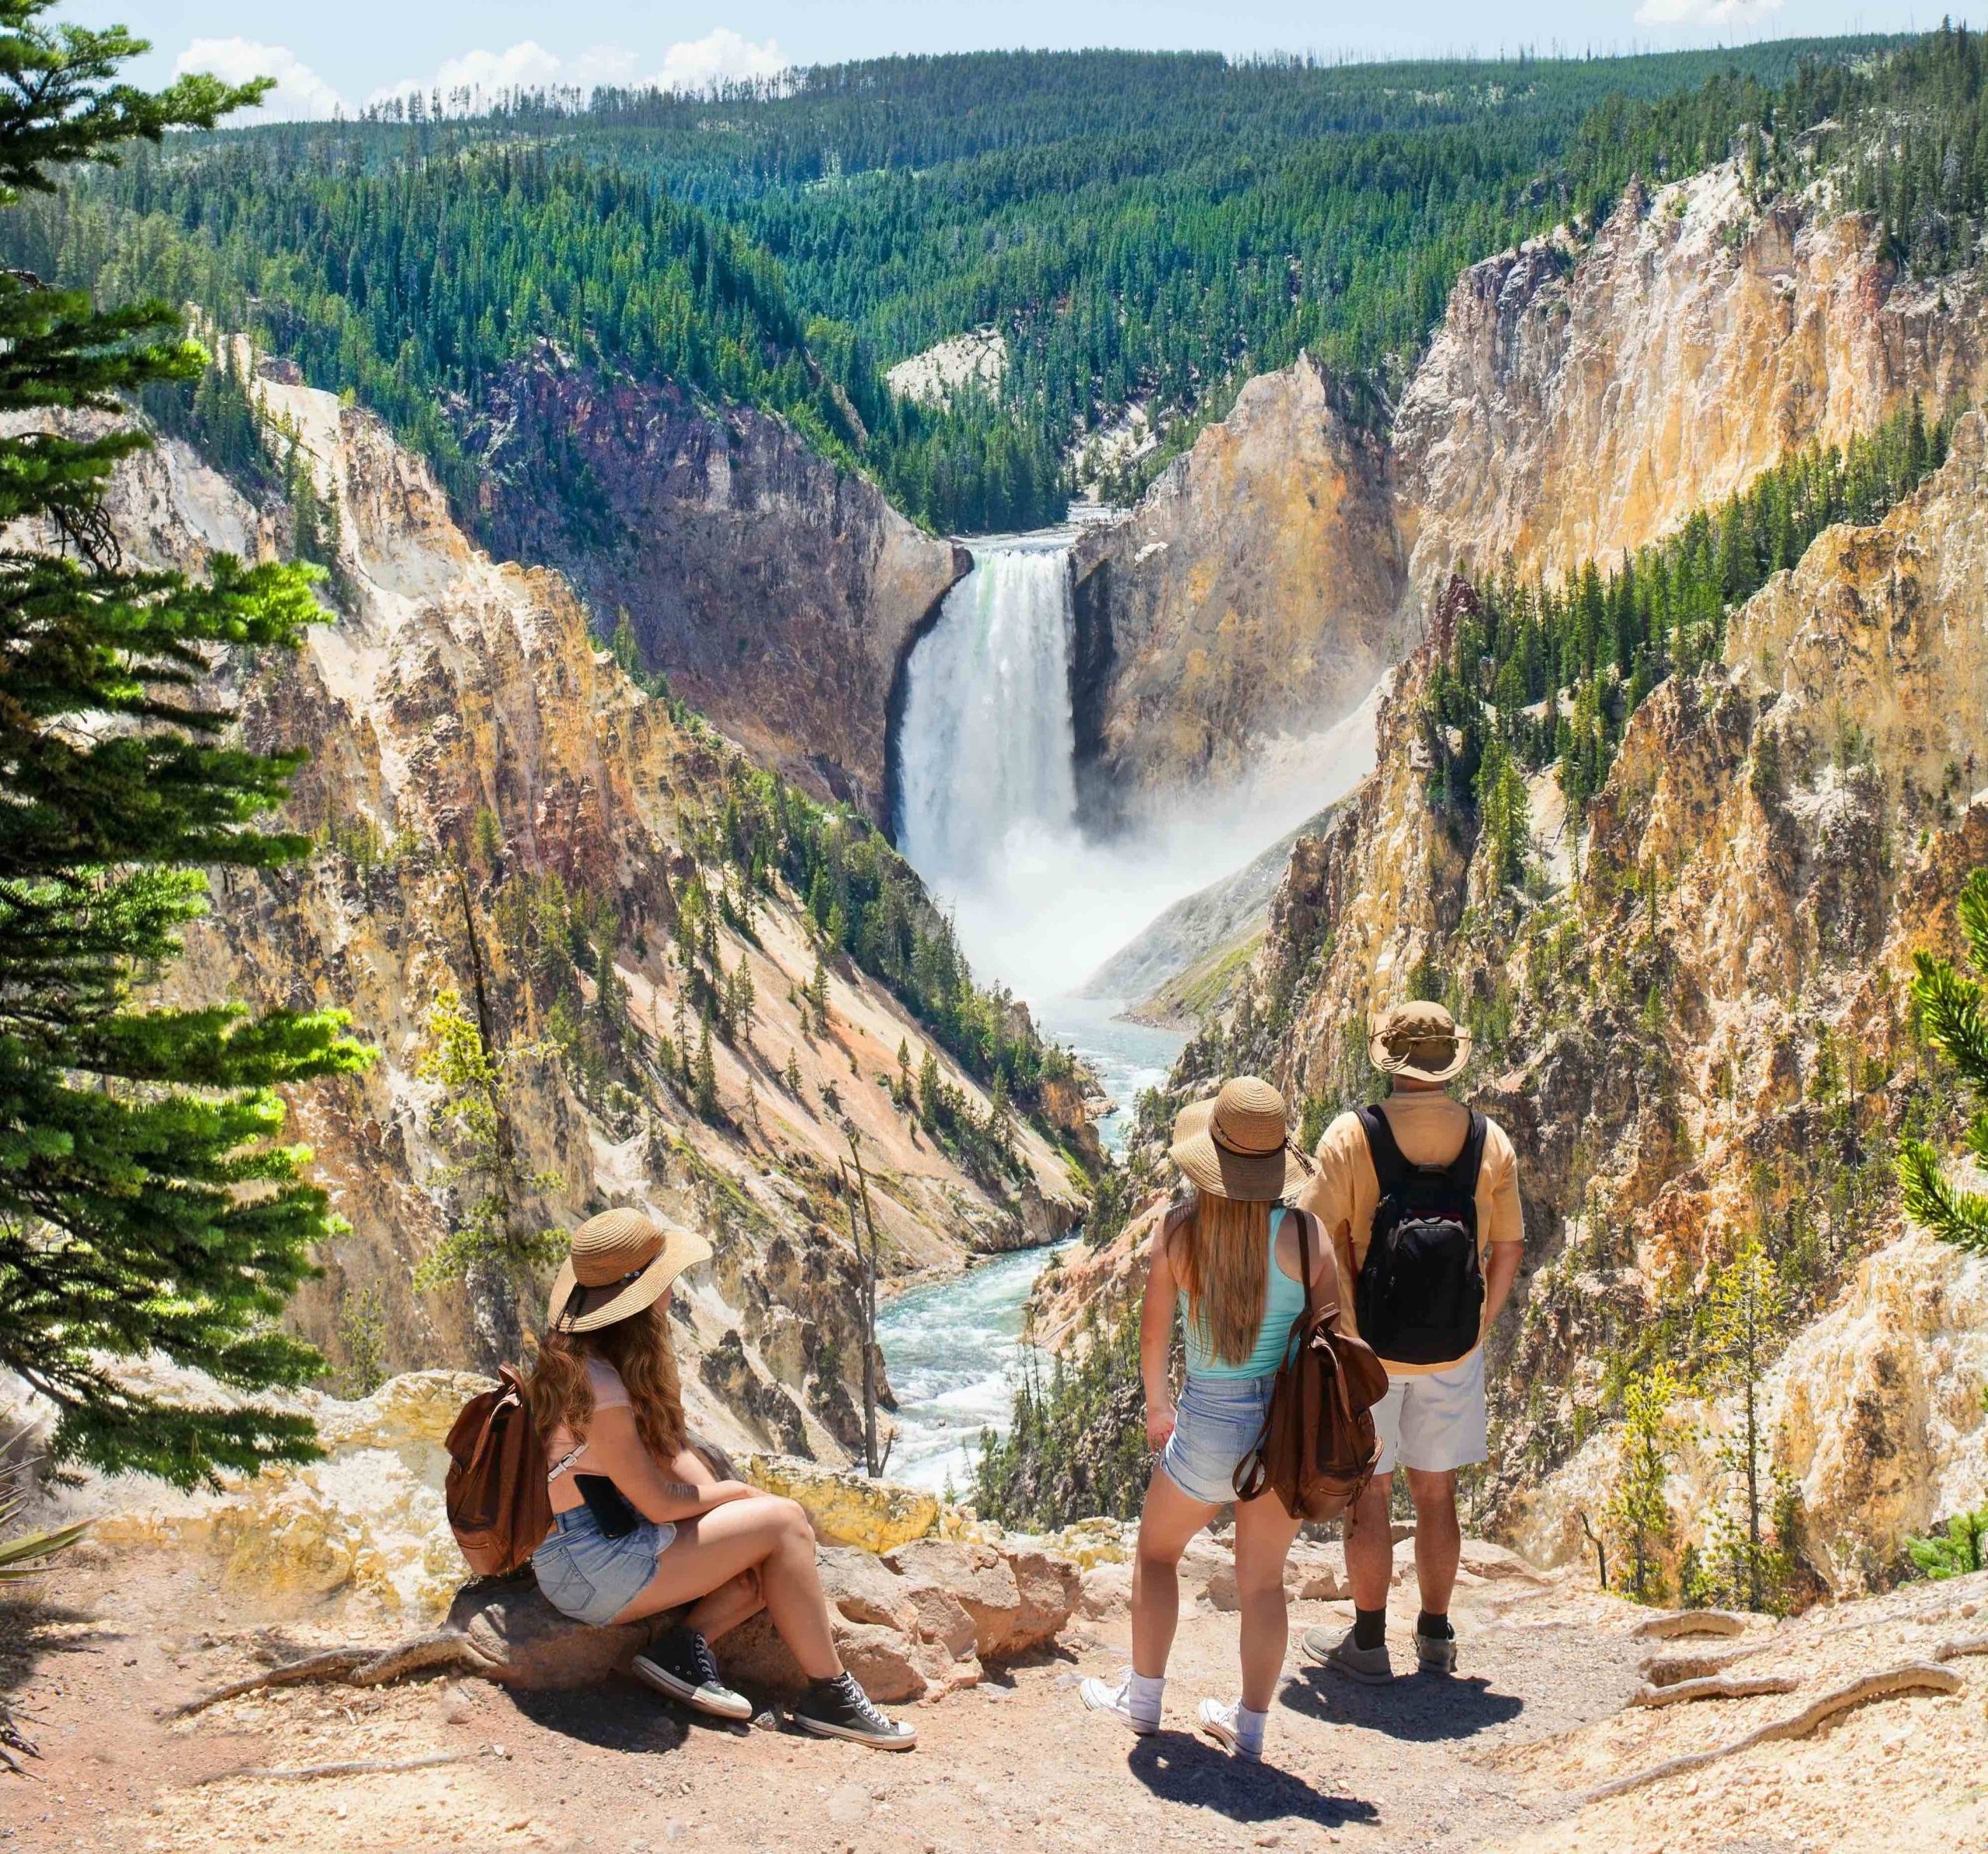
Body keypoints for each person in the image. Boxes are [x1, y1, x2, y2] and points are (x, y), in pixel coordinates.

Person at [526, 1207, 916, 1750]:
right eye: (663, 1279)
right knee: (784, 1526)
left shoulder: (589, 1358)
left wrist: (735, 1520)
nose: (672, 1289)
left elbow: (666, 1452)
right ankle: (832, 1694)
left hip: (590, 1547)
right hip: (590, 1564)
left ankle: (683, 1649)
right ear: (639, 1297)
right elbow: (660, 1503)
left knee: (766, 1552)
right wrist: (741, 1497)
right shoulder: (600, 1386)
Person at [1079, 1076, 1336, 1763]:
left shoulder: (1181, 1230)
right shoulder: (1306, 1237)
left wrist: (1159, 1405)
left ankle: (1143, 1699)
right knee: (1261, 1583)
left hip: (1208, 1420)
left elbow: (1154, 1332)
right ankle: (1249, 1727)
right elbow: (1339, 1338)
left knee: (1157, 1552)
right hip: (1281, 1431)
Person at [1294, 1001, 1524, 1682]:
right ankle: (1435, 1635)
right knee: (1436, 1492)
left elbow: (1308, 1237)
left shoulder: (1349, 1137)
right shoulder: (1490, 1140)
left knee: (1371, 1491)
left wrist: (1323, 1330)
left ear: (1389, 1060)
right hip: (1453, 1345)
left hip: (1367, 1352)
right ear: (1449, 1059)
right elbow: (1508, 1248)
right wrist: (1480, 1324)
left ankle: (1367, 1643)